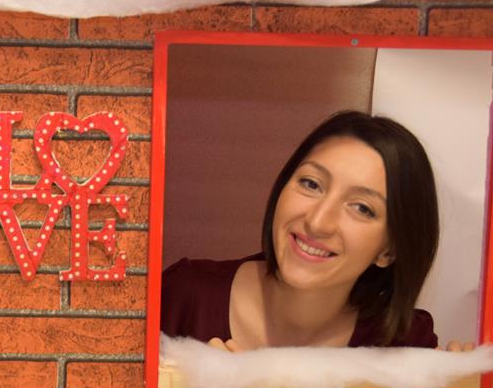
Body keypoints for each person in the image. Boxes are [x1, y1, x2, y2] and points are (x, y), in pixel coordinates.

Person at [161, 110, 442, 350]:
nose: (318, 222)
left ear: (389, 250)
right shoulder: (183, 297)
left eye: (361, 208)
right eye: (311, 184)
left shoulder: (405, 346)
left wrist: (461, 386)